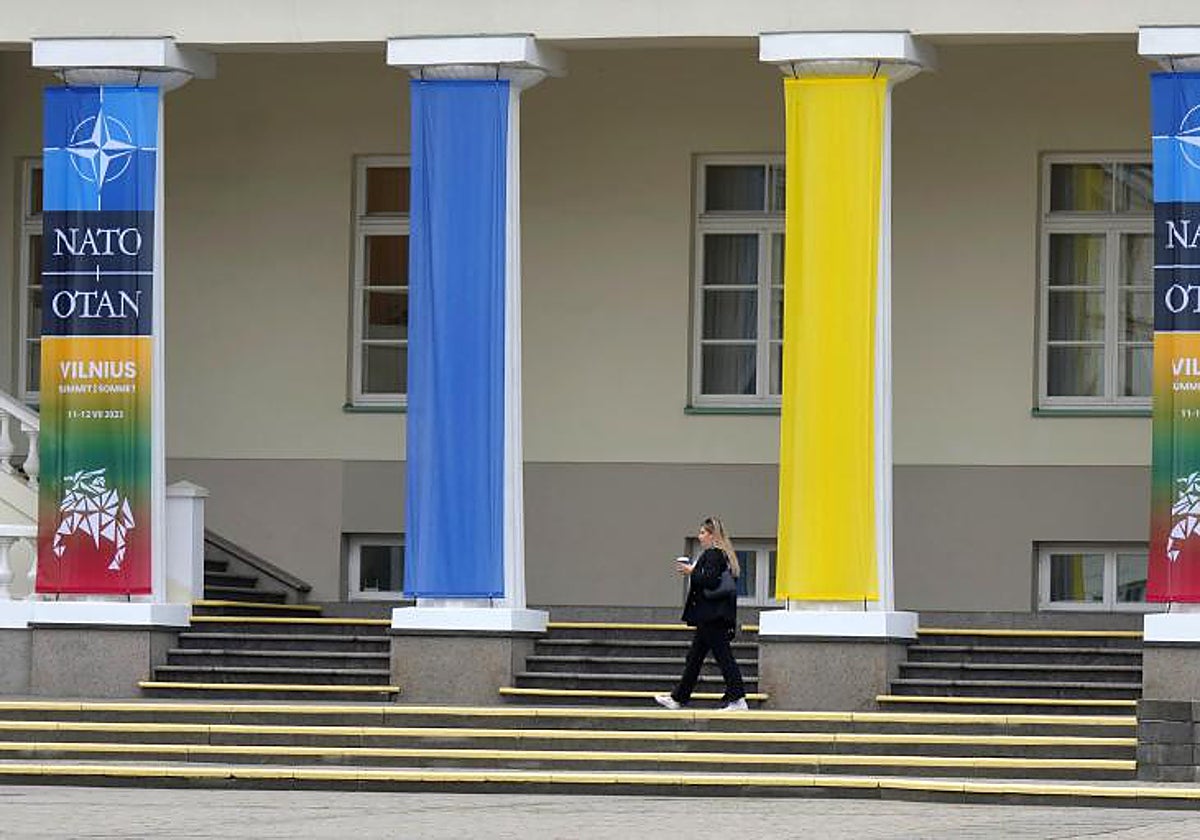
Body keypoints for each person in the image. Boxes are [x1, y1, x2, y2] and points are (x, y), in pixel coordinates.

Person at [655, 516, 748, 712]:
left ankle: (738, 699)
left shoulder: (713, 554)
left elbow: (711, 581)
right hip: (712, 617)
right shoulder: (721, 555)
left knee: (722, 657)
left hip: (712, 617)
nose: (699, 537)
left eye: (703, 533)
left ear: (713, 535)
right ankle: (678, 699)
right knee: (695, 658)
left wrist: (691, 571)